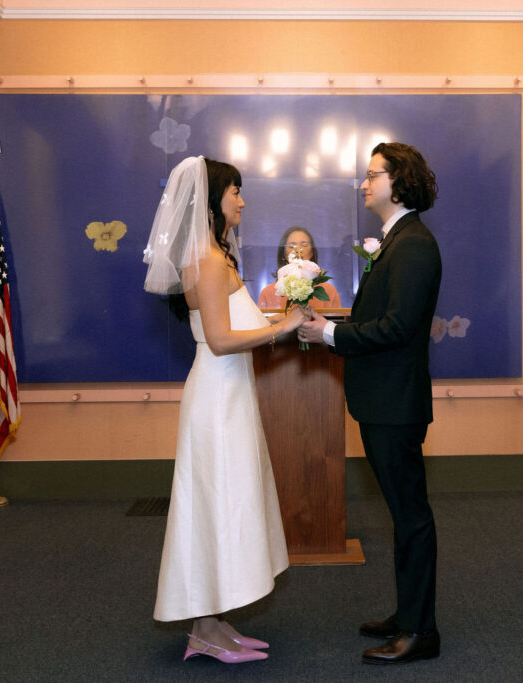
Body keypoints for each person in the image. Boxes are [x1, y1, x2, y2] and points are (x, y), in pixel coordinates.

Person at [143, 156, 307, 664]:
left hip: (230, 396)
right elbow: (218, 340)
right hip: (217, 399)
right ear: (214, 198)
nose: (242, 200)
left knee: (221, 503)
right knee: (215, 506)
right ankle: (204, 630)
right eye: (236, 191)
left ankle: (213, 624)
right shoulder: (209, 261)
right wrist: (284, 327)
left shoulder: (215, 255)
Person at [298, 142, 442, 665]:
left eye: (371, 174)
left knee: (411, 517)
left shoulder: (414, 246)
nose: (363, 183)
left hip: (394, 403)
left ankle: (421, 632)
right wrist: (332, 329)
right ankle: (408, 617)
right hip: (382, 400)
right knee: (402, 516)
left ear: (398, 181)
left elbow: (400, 327)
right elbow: (381, 320)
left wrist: (332, 337)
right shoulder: (397, 241)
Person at [257, 225, 342, 309]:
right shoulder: (268, 292)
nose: (298, 250)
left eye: (304, 245)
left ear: (312, 253)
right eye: (291, 246)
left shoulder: (328, 291)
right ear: (284, 254)